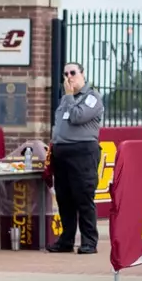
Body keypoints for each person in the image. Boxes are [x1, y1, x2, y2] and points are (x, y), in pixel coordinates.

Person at [49, 62, 104, 253]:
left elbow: (77, 117)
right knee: (64, 199)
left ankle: (89, 242)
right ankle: (66, 240)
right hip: (62, 153)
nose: (68, 77)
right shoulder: (66, 98)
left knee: (83, 198)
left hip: (82, 153)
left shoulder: (92, 97)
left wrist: (70, 96)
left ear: (82, 74)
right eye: (65, 74)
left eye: (73, 73)